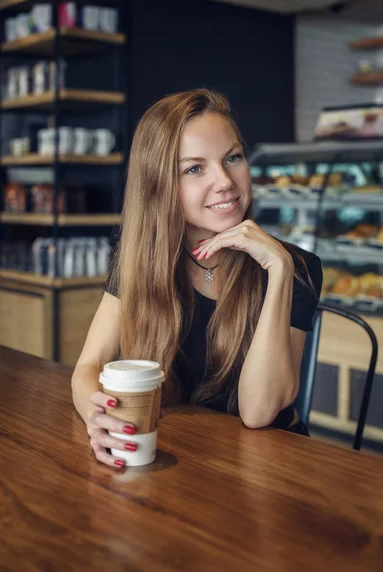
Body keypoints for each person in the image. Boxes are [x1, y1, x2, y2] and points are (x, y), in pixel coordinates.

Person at [71, 88, 322, 468]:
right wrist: (97, 416)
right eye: (194, 168)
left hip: (270, 468)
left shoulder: (296, 267)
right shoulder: (139, 258)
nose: (225, 181)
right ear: (160, 186)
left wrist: (280, 270)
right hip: (186, 455)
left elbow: (258, 413)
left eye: (233, 157)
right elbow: (88, 367)